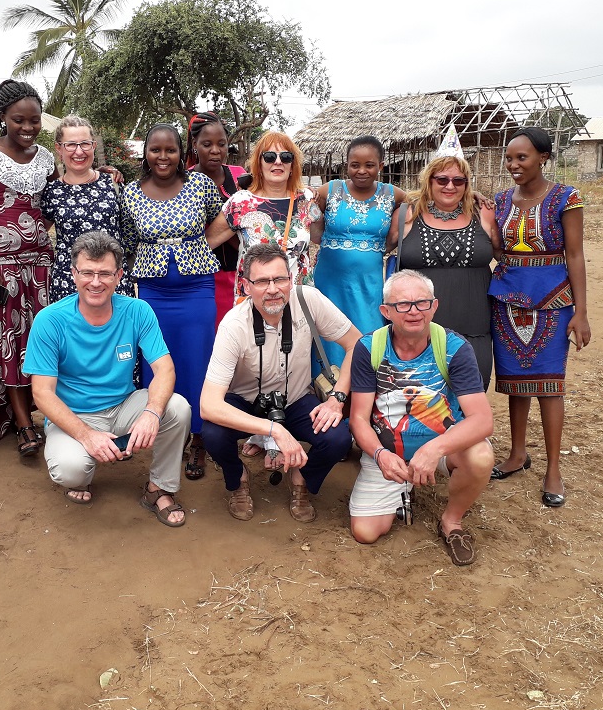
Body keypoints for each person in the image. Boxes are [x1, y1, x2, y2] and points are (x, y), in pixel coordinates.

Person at [25, 231, 191, 527]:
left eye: (104, 273)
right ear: (74, 274)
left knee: (177, 408)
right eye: (87, 273)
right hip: (74, 414)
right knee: (70, 470)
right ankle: (83, 472)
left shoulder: (137, 310)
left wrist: (152, 413)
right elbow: (42, 393)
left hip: (123, 405)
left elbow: (165, 369)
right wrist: (86, 435)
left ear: (119, 276)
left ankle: (159, 489)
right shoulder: (50, 320)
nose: (96, 282)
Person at [200, 244, 361, 522]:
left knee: (338, 438)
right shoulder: (233, 325)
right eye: (262, 281)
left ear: (291, 278)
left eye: (280, 279)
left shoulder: (308, 300)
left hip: (296, 398)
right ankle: (237, 478)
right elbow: (208, 405)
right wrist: (275, 431)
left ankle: (302, 478)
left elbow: (356, 344)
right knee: (213, 433)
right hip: (248, 401)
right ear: (246, 286)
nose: (273, 289)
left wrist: (337, 399)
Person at [348, 270, 493, 565]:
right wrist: (380, 455)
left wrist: (433, 450)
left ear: (434, 306)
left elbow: (482, 420)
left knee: (480, 455)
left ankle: (452, 521)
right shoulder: (368, 348)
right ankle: (403, 485)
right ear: (386, 311)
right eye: (403, 304)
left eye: (422, 303)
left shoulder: (454, 348)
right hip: (389, 452)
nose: (414, 311)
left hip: (441, 447)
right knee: (365, 532)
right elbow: (358, 419)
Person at [488, 127, 591, 508]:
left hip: (552, 300)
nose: (513, 164)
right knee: (515, 381)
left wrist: (581, 312)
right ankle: (517, 454)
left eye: (522, 157)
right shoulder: (500, 201)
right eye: (509, 158)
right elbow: (497, 248)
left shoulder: (566, 198)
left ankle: (553, 470)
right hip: (506, 300)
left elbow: (575, 255)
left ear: (543, 158)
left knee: (550, 385)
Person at [121, 123, 224, 481]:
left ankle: (199, 438)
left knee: (197, 361)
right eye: (155, 149)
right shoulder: (130, 193)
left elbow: (225, 218)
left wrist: (201, 247)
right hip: (153, 293)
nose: (163, 156)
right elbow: (129, 241)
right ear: (145, 153)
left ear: (182, 153)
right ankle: (167, 432)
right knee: (157, 361)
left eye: (170, 150)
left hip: (197, 288)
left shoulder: (200, 184)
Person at [0, 80, 57, 457]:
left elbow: (56, 201)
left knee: (38, 342)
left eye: (35, 120)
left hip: (41, 266)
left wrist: (107, 174)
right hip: (2, 268)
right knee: (11, 343)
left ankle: (42, 413)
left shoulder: (45, 158)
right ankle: (22, 423)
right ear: (2, 116)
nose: (28, 127)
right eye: (19, 120)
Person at [396, 155, 502, 389]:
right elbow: (373, 248)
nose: (450, 186)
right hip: (417, 329)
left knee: (471, 393)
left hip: (475, 328)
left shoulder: (483, 214)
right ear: (429, 181)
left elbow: (507, 257)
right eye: (442, 180)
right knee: (420, 398)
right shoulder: (407, 215)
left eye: (459, 181)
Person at [310, 135, 409, 368]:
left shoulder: (392, 194)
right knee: (328, 333)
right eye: (355, 165)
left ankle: (364, 384)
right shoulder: (330, 190)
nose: (362, 171)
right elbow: (308, 213)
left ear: (381, 166)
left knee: (368, 332)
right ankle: (326, 384)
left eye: (369, 165)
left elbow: (424, 200)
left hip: (369, 283)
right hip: (329, 282)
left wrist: (473, 196)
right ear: (346, 165)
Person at [206, 131, 317, 304]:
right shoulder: (241, 202)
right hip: (255, 301)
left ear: (292, 164)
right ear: (259, 163)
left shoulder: (307, 199)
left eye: (286, 157)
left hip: (298, 300)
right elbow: (206, 243)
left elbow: (322, 237)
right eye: (270, 157)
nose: (278, 162)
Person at [41, 115, 134, 301]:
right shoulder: (52, 191)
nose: (79, 151)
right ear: (59, 148)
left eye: (85, 144)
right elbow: (40, 234)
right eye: (71, 145)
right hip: (69, 283)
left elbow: (129, 232)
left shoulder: (113, 183)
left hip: (112, 281)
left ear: (93, 146)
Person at [186, 112, 247, 326]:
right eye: (207, 144)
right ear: (195, 144)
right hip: (202, 278)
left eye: (221, 144)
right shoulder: (183, 181)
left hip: (239, 274)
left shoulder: (240, 176)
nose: (215, 150)